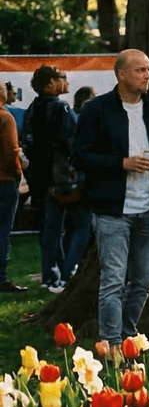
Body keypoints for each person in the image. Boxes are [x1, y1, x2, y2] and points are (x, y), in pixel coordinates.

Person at [73, 49, 149, 345]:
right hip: (112, 210)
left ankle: (127, 333)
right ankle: (112, 345)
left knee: (145, 279)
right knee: (113, 281)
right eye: (140, 70)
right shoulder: (97, 110)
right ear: (121, 74)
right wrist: (121, 163)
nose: (148, 75)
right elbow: (80, 156)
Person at [22, 65, 86, 290]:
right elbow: (73, 143)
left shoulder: (32, 108)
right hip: (62, 180)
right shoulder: (62, 107)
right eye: (63, 78)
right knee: (77, 227)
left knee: (50, 229)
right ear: (50, 83)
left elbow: (27, 143)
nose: (66, 82)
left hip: (40, 179)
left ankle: (53, 274)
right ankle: (63, 274)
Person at [0, 100, 19, 292]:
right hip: (4, 180)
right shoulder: (5, 118)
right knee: (2, 231)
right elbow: (11, 151)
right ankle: (1, 278)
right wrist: (18, 173)